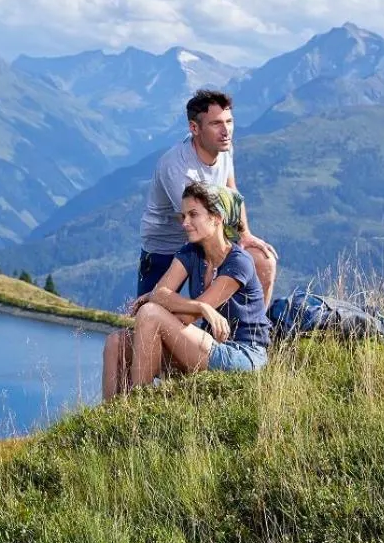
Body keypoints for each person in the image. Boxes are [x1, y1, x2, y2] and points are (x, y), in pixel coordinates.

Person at [102, 89, 277, 398]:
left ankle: (245, 336)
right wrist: (180, 305)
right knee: (130, 334)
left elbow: (231, 193)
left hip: (207, 241)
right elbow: (193, 221)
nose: (226, 131)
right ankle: (119, 417)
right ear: (195, 128)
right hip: (164, 250)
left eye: (229, 121)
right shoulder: (177, 169)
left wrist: (246, 235)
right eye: (216, 124)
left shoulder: (225, 151)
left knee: (260, 261)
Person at [122, 181, 271, 394]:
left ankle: (137, 407)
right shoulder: (191, 252)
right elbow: (159, 294)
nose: (185, 223)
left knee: (149, 313)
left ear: (217, 218)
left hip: (244, 355)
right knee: (116, 344)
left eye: (193, 215)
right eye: (183, 216)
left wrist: (187, 306)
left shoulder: (239, 262)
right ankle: (116, 416)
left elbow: (183, 317)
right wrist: (201, 308)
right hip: (210, 345)